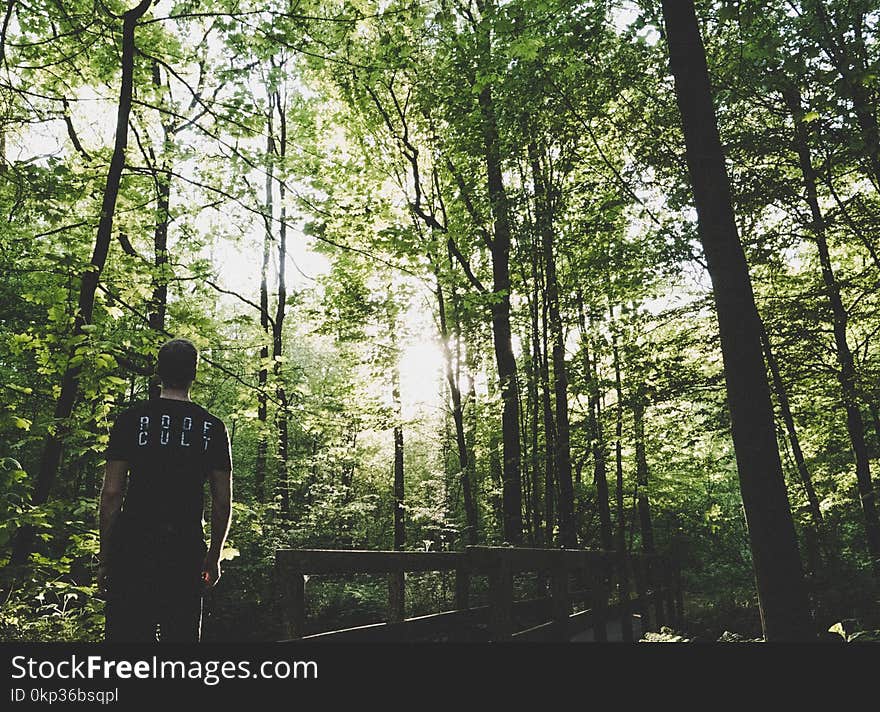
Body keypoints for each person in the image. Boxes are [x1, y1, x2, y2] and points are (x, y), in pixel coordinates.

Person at [97, 338, 233, 642]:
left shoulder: (130, 420)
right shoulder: (212, 427)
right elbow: (222, 502)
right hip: (185, 551)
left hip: (132, 549)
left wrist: (106, 557)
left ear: (158, 372)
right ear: (194, 374)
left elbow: (111, 495)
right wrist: (213, 556)